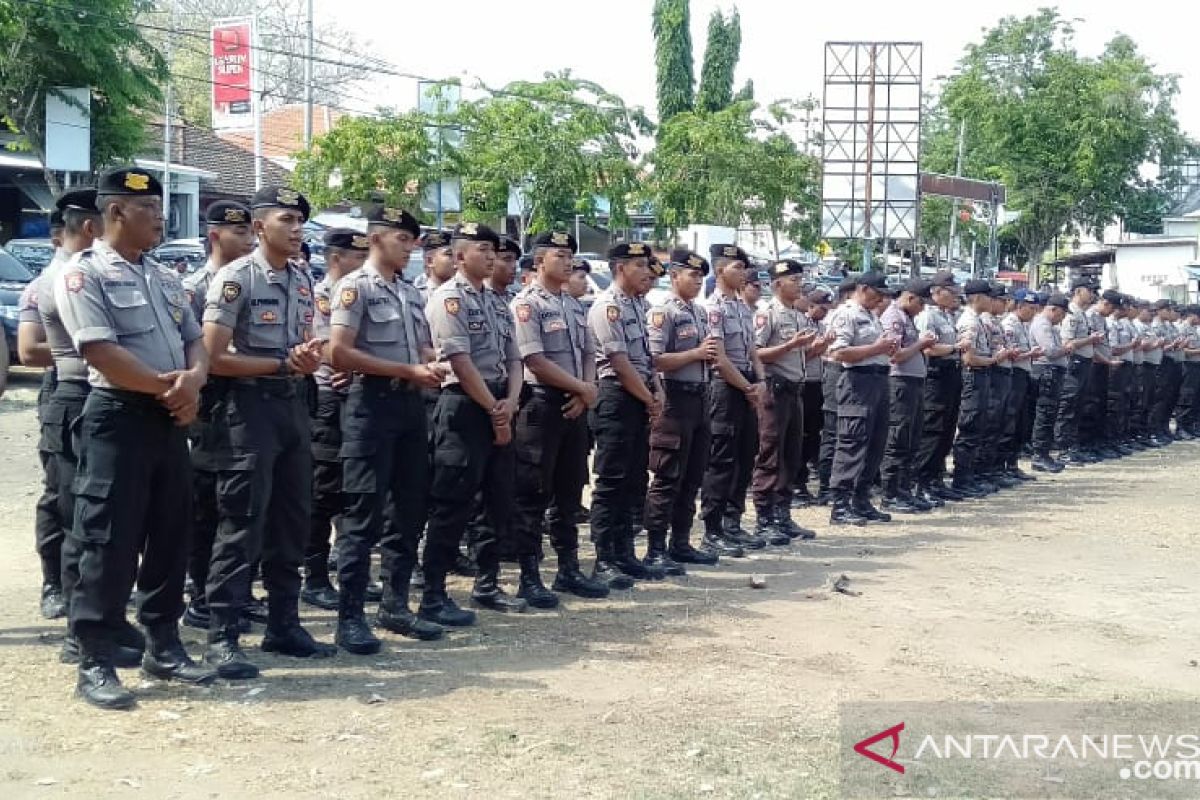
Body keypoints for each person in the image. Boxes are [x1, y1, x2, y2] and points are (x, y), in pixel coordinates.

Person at [56, 167, 214, 708]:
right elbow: (98, 351)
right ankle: (95, 657)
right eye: (149, 210)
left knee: (171, 534)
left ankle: (163, 643)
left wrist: (192, 381)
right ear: (116, 212)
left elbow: (196, 342)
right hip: (117, 417)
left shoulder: (166, 277)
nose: (160, 220)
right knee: (109, 540)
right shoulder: (85, 274)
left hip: (168, 421)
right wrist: (167, 389)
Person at [202, 185, 336, 680]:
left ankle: (284, 624)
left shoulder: (302, 279)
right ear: (260, 228)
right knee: (242, 521)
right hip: (248, 410)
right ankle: (224, 636)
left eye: (301, 220)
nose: (298, 228)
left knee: (291, 519)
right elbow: (214, 357)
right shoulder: (236, 279)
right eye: (287, 220)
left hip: (292, 406)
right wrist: (283, 363)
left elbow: (307, 343)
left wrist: (305, 357)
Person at [328, 205, 446, 653]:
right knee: (363, 514)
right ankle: (350, 617)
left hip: (409, 407)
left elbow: (418, 347)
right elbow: (339, 353)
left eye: (413, 240)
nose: (411, 247)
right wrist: (406, 368)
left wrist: (430, 362)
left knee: (409, 509)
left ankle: (396, 605)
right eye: (403, 239)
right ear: (376, 239)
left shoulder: (409, 292)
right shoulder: (354, 288)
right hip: (370, 406)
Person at [422, 222, 525, 625]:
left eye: (493, 250)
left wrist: (511, 403)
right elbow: (459, 362)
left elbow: (514, 358)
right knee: (452, 504)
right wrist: (495, 410)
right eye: (482, 249)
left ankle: (488, 582)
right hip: (464, 406)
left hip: (500, 401)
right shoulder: (449, 299)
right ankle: (433, 593)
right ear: (461, 256)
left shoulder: (499, 302)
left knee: (496, 501)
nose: (491, 256)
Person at [510, 233, 608, 602]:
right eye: (561, 255)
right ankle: (529, 575)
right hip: (541, 405)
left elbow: (587, 352)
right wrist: (582, 389)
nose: (569, 262)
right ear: (539, 262)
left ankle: (568, 569)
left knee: (570, 489)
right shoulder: (527, 305)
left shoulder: (573, 304)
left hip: (575, 405)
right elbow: (533, 360)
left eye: (571, 256)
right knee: (533, 492)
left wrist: (586, 388)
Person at [18, 192, 101, 624]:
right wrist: (98, 351)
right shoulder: (45, 285)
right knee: (63, 495)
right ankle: (57, 584)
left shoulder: (109, 274)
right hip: (67, 391)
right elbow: (29, 351)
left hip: (108, 393)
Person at [181, 201, 256, 631]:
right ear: (215, 236)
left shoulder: (253, 279)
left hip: (246, 408)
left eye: (250, 232)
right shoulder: (195, 287)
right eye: (239, 233)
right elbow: (192, 350)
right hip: (210, 406)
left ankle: (234, 593)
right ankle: (200, 597)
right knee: (208, 505)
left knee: (241, 507)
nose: (248, 240)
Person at [588, 239, 668, 582]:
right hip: (617, 397)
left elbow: (647, 359)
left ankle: (624, 552)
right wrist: (649, 398)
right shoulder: (608, 307)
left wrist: (657, 391)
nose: (646, 271)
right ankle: (604, 557)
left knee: (635, 480)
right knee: (611, 480)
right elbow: (618, 362)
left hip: (639, 396)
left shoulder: (637, 306)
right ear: (621, 268)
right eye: (639, 266)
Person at [299, 228, 369, 612]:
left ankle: (347, 570)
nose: (363, 265)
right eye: (356, 257)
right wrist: (351, 366)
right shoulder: (322, 296)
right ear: (336, 258)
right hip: (329, 399)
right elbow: (326, 348)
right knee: (324, 490)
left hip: (357, 395)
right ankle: (315, 576)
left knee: (353, 489)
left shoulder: (363, 292)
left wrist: (359, 370)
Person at [644, 250, 727, 565]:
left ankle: (680, 541)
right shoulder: (663, 312)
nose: (697, 281)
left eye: (700, 276)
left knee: (693, 476)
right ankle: (655, 548)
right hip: (674, 399)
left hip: (700, 397)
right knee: (667, 476)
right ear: (673, 275)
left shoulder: (699, 312)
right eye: (691, 275)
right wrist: (695, 354)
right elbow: (655, 360)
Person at [699, 245, 767, 549]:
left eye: (743, 268)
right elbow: (719, 358)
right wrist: (747, 387)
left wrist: (761, 380)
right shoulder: (713, 309)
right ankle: (713, 529)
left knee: (744, 454)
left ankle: (733, 521)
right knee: (722, 459)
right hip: (726, 388)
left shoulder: (741, 308)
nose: (743, 273)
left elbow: (752, 350)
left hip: (747, 385)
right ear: (720, 270)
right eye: (737, 267)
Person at [749, 259, 817, 539]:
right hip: (775, 390)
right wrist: (791, 345)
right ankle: (764, 517)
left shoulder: (798, 314)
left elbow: (798, 355)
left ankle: (782, 513)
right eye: (794, 280)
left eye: (800, 279)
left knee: (791, 454)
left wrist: (813, 349)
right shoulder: (768, 313)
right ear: (777, 284)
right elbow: (756, 353)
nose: (799, 285)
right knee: (770, 454)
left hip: (794, 390)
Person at [879, 278, 937, 512]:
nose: (923, 308)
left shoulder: (907, 318)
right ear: (911, 297)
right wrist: (921, 344)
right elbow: (896, 356)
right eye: (921, 303)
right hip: (899, 382)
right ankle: (890, 493)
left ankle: (903, 489)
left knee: (912, 439)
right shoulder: (893, 317)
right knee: (898, 438)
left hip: (913, 382)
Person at [913, 271, 964, 505]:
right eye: (950, 292)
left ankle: (935, 479)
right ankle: (922, 481)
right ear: (936, 292)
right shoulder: (927, 316)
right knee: (932, 430)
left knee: (946, 429)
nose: (955, 297)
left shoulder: (947, 315)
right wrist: (955, 348)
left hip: (951, 374)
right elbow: (928, 349)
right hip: (935, 374)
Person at [951, 280, 999, 496]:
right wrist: (992, 360)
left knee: (978, 427)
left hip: (982, 376)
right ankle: (962, 479)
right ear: (978, 297)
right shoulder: (969, 321)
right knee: (969, 428)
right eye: (989, 297)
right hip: (974, 376)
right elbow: (968, 358)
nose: (992, 301)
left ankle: (969, 476)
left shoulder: (978, 320)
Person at [815, 278, 858, 506]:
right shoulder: (842, 314)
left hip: (849, 372)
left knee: (846, 432)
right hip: (836, 370)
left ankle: (838, 486)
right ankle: (826, 488)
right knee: (833, 431)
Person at [1055, 278, 1104, 465]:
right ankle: (1062, 449)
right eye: (1089, 290)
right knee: (1068, 406)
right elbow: (1067, 343)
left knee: (1077, 406)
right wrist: (1090, 340)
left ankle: (1072, 446)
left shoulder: (1082, 314)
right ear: (1077, 291)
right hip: (1073, 363)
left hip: (1084, 363)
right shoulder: (1071, 313)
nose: (1092, 294)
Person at [999, 289, 1043, 479]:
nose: (1034, 312)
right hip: (1014, 374)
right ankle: (1004, 465)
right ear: (1020, 306)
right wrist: (1030, 354)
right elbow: (1012, 354)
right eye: (1031, 308)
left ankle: (1012, 463)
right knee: (1009, 419)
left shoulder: (1024, 324)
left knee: (1020, 420)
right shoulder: (1009, 324)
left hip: (1024, 373)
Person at [795, 287, 832, 506]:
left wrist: (824, 348)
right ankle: (796, 483)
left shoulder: (822, 327)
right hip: (802, 383)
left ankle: (804, 482)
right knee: (799, 436)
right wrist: (817, 349)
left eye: (827, 308)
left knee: (812, 435)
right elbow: (799, 357)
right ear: (810, 306)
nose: (825, 312)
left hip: (819, 383)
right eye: (821, 308)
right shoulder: (802, 324)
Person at [1029, 292, 1070, 472]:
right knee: (1044, 415)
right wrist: (1068, 349)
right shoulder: (1041, 324)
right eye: (1061, 314)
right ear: (1053, 309)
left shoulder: (1050, 326)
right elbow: (1050, 352)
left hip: (1053, 372)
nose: (1062, 318)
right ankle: (1039, 455)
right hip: (1046, 372)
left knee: (1050, 413)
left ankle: (1044, 453)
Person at [414, 230, 455, 301]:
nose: (456, 260)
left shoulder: (465, 295)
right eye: (449, 254)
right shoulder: (417, 297)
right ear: (430, 261)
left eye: (457, 255)